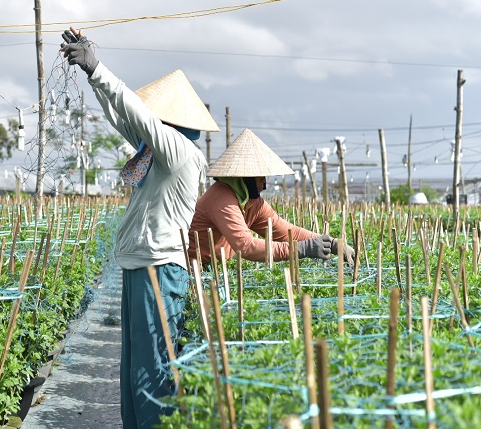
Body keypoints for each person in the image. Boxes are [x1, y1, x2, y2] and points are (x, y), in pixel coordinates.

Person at [61, 28, 219, 429]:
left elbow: (137, 115)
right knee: (133, 372)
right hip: (140, 267)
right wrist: (92, 73)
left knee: (153, 375)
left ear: (169, 122)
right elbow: (122, 117)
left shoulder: (180, 152)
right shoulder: (156, 152)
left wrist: (99, 69)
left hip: (161, 269)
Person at [188, 128, 355, 266]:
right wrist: (301, 249)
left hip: (216, 270)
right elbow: (246, 246)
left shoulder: (252, 203)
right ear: (244, 176)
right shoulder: (223, 200)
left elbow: (288, 232)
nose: (264, 182)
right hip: (197, 271)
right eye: (260, 176)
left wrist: (332, 243)